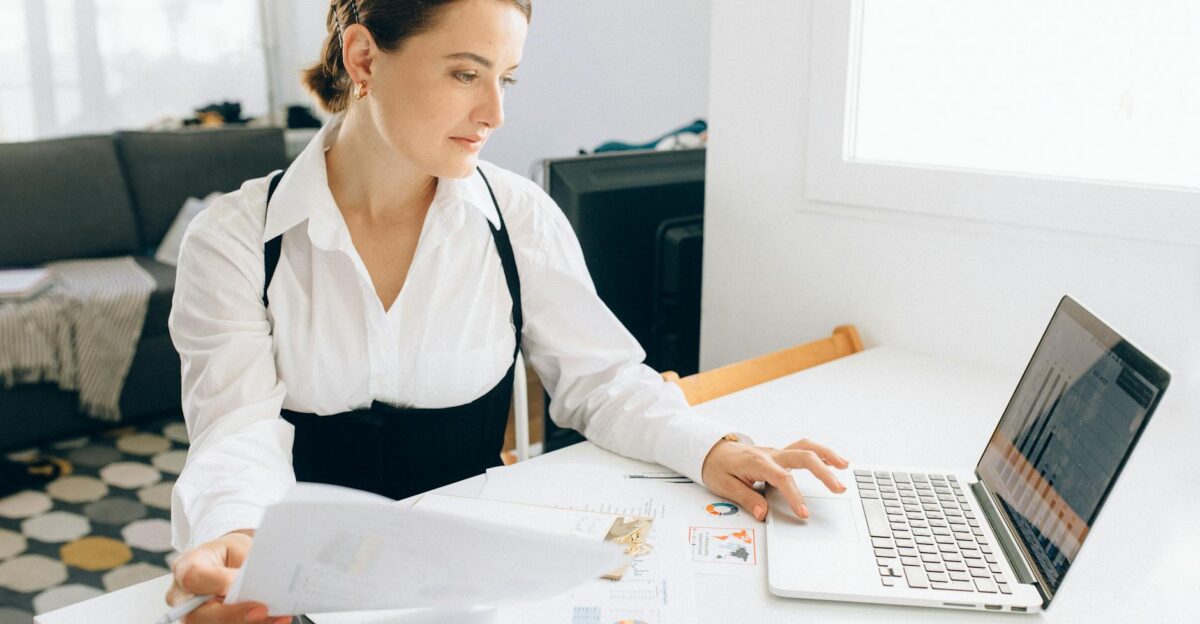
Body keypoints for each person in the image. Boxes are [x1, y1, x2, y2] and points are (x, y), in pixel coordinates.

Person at [164, 1, 850, 622]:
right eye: (466, 74)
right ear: (364, 57)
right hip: (303, 586)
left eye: (507, 79)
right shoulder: (234, 240)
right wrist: (237, 542)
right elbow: (236, 432)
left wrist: (712, 446)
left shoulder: (518, 217)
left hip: (463, 590)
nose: (496, 113)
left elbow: (602, 381)